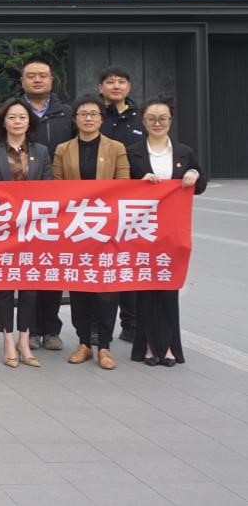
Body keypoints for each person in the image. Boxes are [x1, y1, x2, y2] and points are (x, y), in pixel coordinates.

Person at [52, 94, 130, 370]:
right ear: (75, 119)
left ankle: (104, 346)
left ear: (102, 118)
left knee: (106, 290)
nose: (88, 118)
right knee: (79, 288)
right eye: (83, 114)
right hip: (75, 229)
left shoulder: (116, 147)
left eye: (93, 114)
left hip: (106, 228)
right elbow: (56, 188)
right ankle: (84, 342)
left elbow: (124, 184)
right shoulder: (63, 149)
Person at [126, 95, 205, 367]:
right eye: (151, 118)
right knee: (146, 287)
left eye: (162, 118)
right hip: (143, 229)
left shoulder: (183, 152)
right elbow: (120, 185)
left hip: (172, 230)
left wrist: (194, 174)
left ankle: (170, 346)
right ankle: (148, 346)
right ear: (143, 121)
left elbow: (201, 184)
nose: (157, 123)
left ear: (170, 121)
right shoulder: (132, 151)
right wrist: (139, 182)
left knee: (169, 286)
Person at [0, 98, 53, 368]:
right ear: (3, 122)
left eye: (22, 117)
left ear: (29, 122)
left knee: (30, 286)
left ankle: (24, 338)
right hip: (3, 230)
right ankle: (8, 339)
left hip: (32, 229)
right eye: (12, 117)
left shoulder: (41, 151)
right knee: (5, 286)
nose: (17, 121)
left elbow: (49, 189)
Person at [17, 53, 74, 352]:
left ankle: (51, 329)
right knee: (27, 268)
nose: (37, 80)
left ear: (52, 80)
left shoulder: (67, 113)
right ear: (22, 80)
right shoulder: (13, 111)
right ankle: (29, 329)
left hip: (59, 203)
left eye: (43, 75)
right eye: (31, 75)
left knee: (52, 267)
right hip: (22, 204)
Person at [98, 66, 145, 343]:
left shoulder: (141, 118)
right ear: (100, 87)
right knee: (100, 264)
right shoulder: (93, 115)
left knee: (127, 264)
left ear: (129, 86)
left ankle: (131, 324)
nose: (116, 86)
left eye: (121, 81)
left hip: (133, 207)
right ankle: (97, 326)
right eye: (110, 82)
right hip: (97, 206)